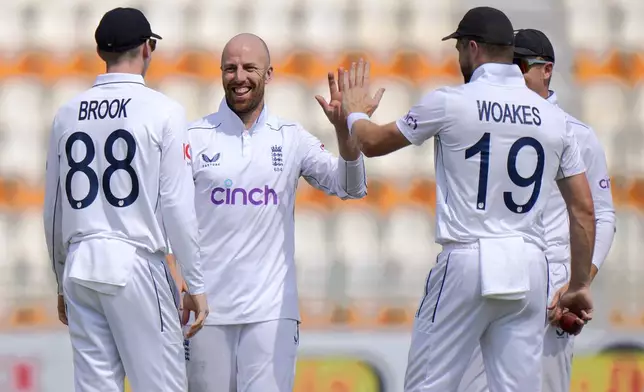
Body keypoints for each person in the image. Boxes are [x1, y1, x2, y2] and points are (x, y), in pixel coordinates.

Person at [339, 6, 596, 392]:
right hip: (529, 265)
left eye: (459, 48)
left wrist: (353, 115)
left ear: (472, 47)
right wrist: (578, 283)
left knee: (427, 385)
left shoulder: (451, 101)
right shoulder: (554, 118)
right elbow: (583, 209)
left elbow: (372, 143)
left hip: (468, 258)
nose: (459, 57)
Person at [174, 33, 375, 392]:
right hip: (207, 311)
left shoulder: (291, 137)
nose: (239, 77)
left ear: (268, 75)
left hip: (271, 313)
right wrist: (181, 282)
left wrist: (346, 135)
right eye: (230, 68)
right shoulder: (194, 136)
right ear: (220, 72)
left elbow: (350, 187)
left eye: (250, 67)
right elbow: (170, 218)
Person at [42, 7, 209, 392]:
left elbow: (53, 209)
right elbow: (178, 207)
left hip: (81, 264)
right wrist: (195, 284)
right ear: (148, 48)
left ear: (102, 52)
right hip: (135, 263)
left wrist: (60, 280)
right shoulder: (165, 111)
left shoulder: (67, 114)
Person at [457, 29, 616, 392]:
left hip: (551, 290)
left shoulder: (578, 134)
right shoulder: (486, 121)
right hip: (492, 276)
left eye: (519, 65)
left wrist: (578, 282)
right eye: (506, 63)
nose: (510, 73)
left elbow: (603, 216)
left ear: (547, 70)